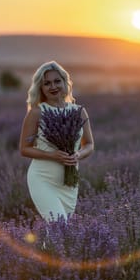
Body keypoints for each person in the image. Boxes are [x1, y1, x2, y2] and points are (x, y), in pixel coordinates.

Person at [19, 61, 94, 222]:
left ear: (65, 82)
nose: (53, 86)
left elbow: (89, 144)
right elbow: (24, 149)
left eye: (57, 81)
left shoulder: (79, 111)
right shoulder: (37, 113)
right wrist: (52, 155)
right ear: (41, 87)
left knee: (57, 233)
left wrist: (78, 155)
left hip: (69, 183)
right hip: (43, 179)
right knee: (59, 225)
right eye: (47, 83)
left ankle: (43, 249)